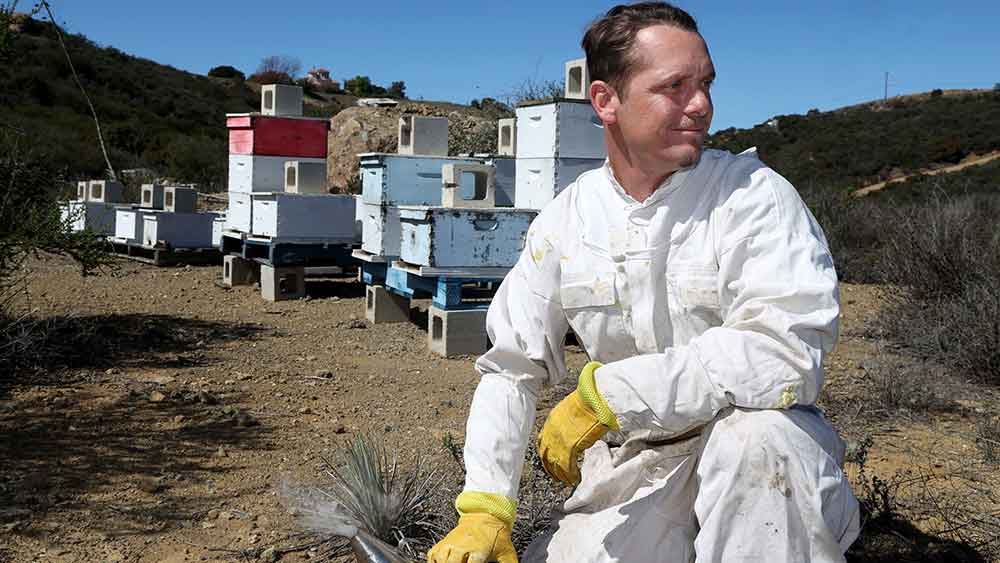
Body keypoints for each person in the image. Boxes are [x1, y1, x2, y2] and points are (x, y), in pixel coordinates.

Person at [427, 3, 860, 562]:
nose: (700, 105)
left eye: (705, 84)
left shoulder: (755, 197)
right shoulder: (568, 220)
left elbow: (785, 350)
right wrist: (485, 506)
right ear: (606, 100)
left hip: (765, 460)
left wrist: (612, 397)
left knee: (759, 443)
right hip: (642, 463)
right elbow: (510, 366)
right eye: (674, 86)